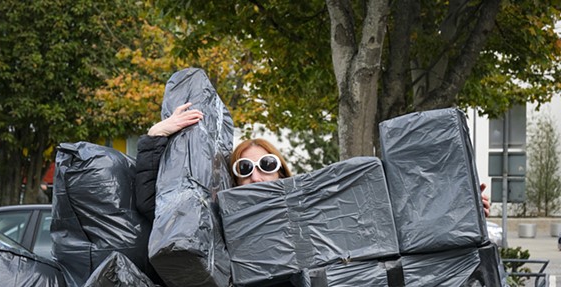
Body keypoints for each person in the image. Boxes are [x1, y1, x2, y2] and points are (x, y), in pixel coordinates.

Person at [135, 103, 490, 218]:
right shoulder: (219, 217)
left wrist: (460, 207)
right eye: (245, 169)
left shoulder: (308, 209)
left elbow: (379, 216)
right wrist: (156, 136)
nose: (257, 175)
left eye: (267, 165)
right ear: (235, 179)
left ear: (282, 171)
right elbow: (156, 206)